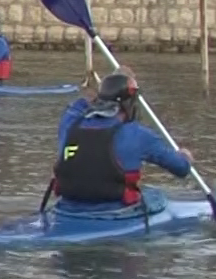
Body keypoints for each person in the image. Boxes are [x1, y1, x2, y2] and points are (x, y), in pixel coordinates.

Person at [50, 70, 194, 215]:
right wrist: (185, 157)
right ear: (129, 104)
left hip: (66, 209)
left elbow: (78, 105)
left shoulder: (69, 123)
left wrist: (110, 84)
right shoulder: (139, 134)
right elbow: (181, 169)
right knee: (154, 194)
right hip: (115, 212)